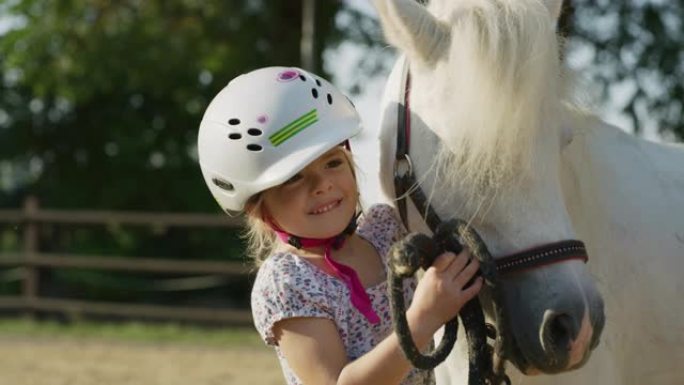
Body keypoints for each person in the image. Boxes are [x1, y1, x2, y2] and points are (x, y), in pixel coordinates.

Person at [197, 66, 483, 385]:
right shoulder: (287, 283)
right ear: (258, 207)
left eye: (333, 162)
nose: (323, 184)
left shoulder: (385, 231)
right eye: (294, 178)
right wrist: (425, 317)